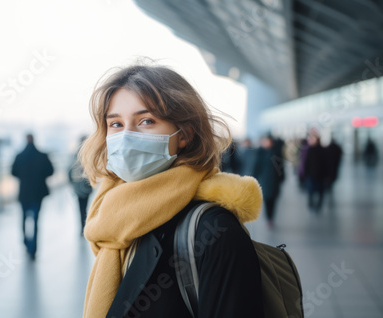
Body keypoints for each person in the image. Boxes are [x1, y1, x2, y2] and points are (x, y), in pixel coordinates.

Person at [79, 64, 264, 318]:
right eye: (116, 124)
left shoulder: (214, 230)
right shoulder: (112, 218)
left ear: (184, 134)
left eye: (146, 121)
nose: (127, 136)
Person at [11, 134, 54, 260]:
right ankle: (33, 249)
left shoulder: (19, 156)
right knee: (35, 221)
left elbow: (13, 172)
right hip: (38, 194)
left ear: (25, 140)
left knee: (24, 218)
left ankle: (26, 242)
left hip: (24, 193)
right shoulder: (42, 156)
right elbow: (51, 171)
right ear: (34, 140)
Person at [253, 135, 283, 228]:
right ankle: (268, 218)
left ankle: (271, 217)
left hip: (274, 181)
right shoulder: (260, 153)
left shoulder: (276, 152)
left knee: (273, 200)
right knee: (266, 199)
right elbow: (256, 167)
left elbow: (280, 167)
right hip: (264, 180)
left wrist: (281, 177)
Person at [68, 136, 93, 235]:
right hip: (86, 186)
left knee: (80, 208)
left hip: (78, 186)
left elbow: (69, 170)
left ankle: (82, 228)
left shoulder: (75, 154)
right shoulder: (89, 154)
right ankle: (84, 226)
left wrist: (72, 184)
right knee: (85, 207)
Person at [303, 133, 326, 212]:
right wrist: (305, 173)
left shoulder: (322, 150)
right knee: (310, 190)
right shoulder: (309, 149)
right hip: (311, 175)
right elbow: (306, 163)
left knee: (320, 191)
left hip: (320, 175)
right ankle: (311, 204)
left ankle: (318, 205)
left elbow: (326, 163)